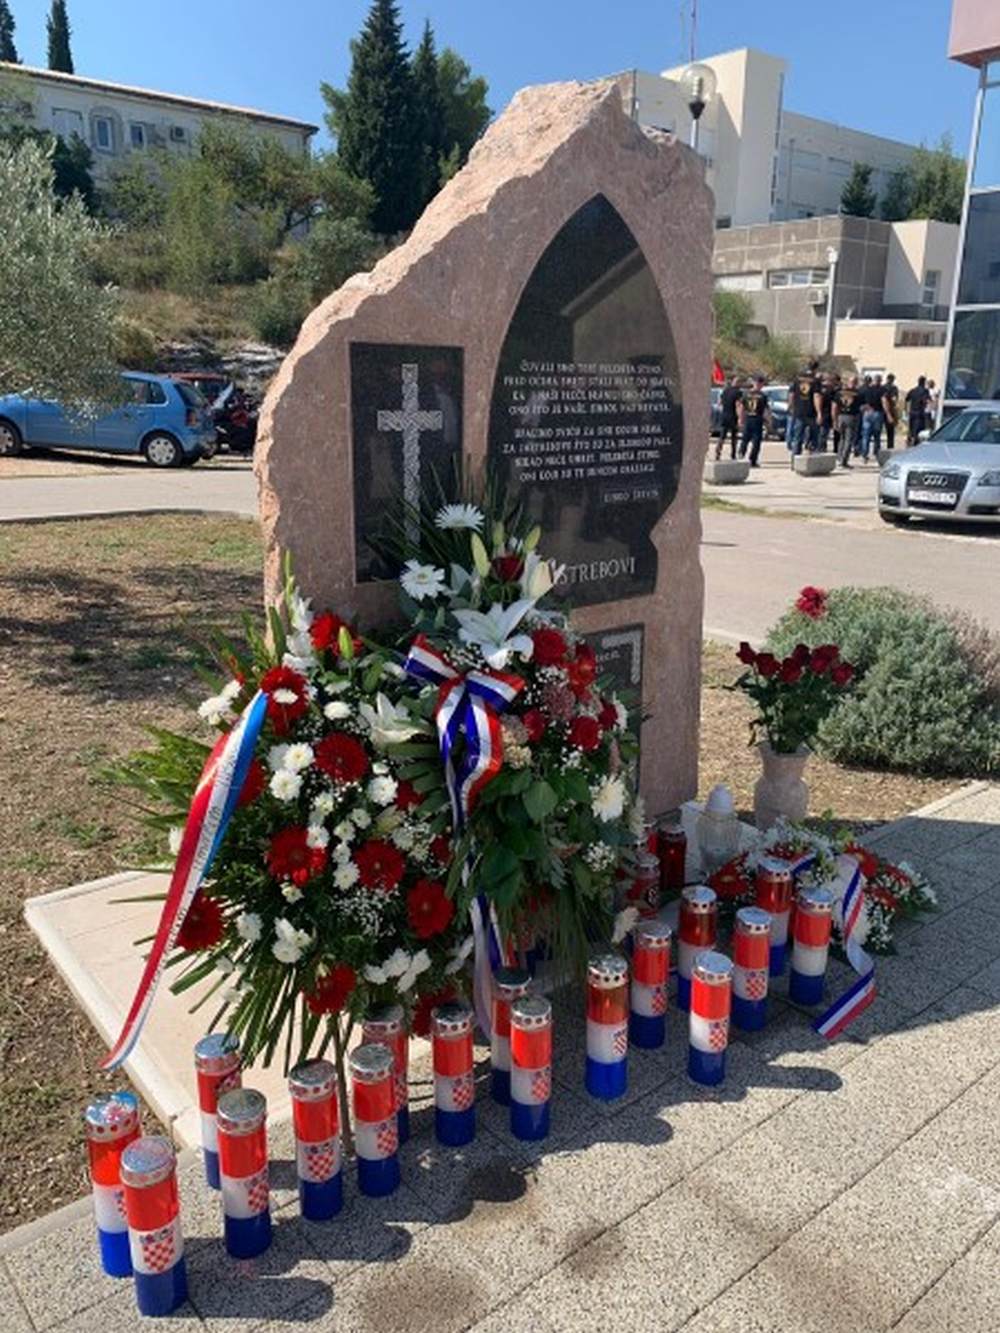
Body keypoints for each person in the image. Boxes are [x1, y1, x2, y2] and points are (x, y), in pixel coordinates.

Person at [787, 359, 822, 461]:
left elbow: (791, 394)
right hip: (811, 412)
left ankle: (795, 460)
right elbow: (816, 396)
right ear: (816, 368)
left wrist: (791, 406)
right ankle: (812, 458)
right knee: (814, 436)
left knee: (798, 437)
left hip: (799, 411)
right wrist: (819, 413)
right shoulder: (815, 380)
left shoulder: (797, 379)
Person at [738, 374, 770, 467]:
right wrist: (768, 420)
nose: (759, 385)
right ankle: (749, 458)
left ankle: (743, 455)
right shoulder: (762, 395)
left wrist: (740, 418)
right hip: (755, 419)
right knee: (754, 440)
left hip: (751, 418)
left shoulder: (746, 394)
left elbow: (741, 407)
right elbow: (765, 410)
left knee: (747, 439)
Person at [833, 374, 863, 468]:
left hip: (841, 416)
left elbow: (834, 407)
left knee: (842, 438)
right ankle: (844, 461)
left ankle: (839, 458)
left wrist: (835, 419)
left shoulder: (839, 393)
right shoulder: (857, 394)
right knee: (848, 440)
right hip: (851, 417)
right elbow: (862, 407)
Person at [716, 374, 743, 461]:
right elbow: (738, 405)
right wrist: (740, 418)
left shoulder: (725, 391)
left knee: (722, 435)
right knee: (734, 436)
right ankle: (733, 454)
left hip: (724, 415)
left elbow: (719, 403)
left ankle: (718, 451)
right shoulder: (738, 392)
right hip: (733, 416)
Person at [859, 373, 885, 461]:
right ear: (880, 381)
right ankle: (876, 453)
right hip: (877, 413)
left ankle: (864, 454)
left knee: (866, 435)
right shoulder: (882, 390)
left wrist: (863, 408)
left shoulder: (867, 390)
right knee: (877, 435)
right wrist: (888, 414)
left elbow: (861, 401)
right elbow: (884, 401)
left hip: (867, 413)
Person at [905, 375, 931, 446]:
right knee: (918, 430)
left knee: (911, 429)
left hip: (912, 412)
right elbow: (926, 400)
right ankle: (915, 444)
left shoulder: (913, 390)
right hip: (920, 413)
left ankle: (909, 440)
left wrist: (906, 410)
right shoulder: (925, 391)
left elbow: (907, 399)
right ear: (924, 382)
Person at [817, 373, 838, 453]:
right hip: (826, 413)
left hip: (826, 412)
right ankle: (821, 447)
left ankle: (822, 447)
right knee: (823, 431)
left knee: (824, 431)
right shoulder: (828, 390)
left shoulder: (821, 389)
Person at [881, 373, 899, 450]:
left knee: (877, 431)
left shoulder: (882, 387)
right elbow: (894, 399)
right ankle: (890, 446)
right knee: (890, 431)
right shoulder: (894, 388)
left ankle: (877, 448)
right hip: (890, 410)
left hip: (880, 410)